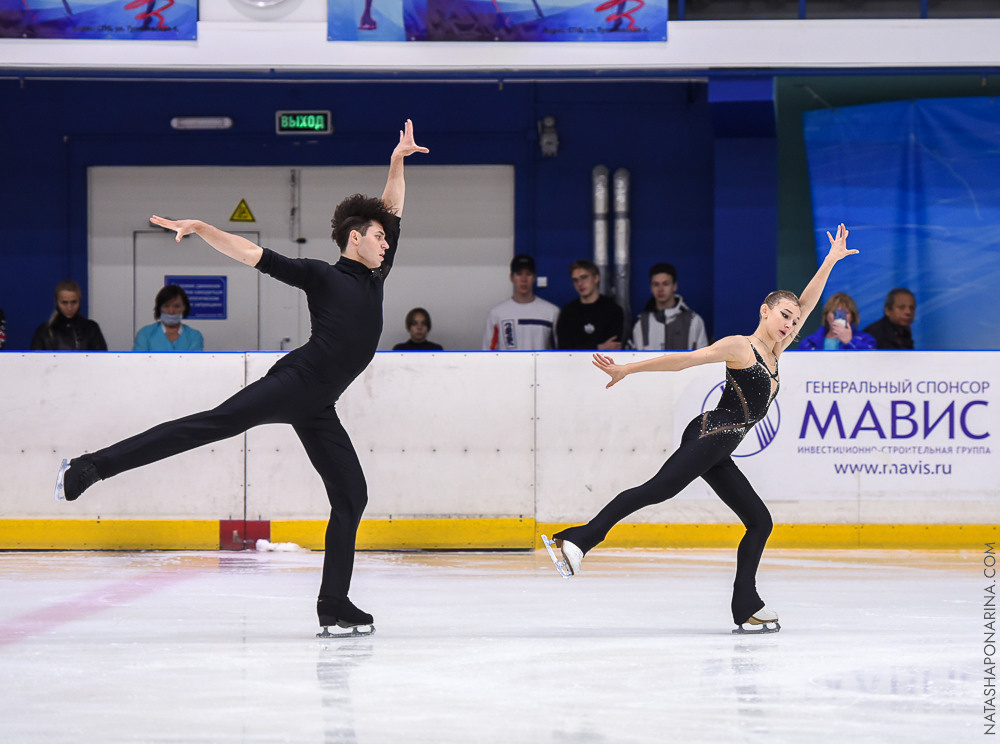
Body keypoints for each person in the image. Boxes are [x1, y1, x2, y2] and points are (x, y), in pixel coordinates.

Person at [54, 119, 429, 636]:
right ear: (354, 238)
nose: (388, 242)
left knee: (352, 496)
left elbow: (391, 206)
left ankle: (334, 604)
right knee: (208, 425)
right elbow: (253, 255)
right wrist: (205, 228)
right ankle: (89, 467)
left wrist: (396, 162)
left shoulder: (376, 275)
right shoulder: (322, 275)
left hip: (321, 404)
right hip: (296, 381)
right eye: (380, 237)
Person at [543, 224, 858, 634]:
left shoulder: (777, 351)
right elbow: (684, 360)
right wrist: (628, 368)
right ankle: (579, 541)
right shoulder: (741, 347)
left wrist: (830, 261)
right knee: (658, 490)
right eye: (784, 316)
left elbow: (808, 302)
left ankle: (746, 603)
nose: (790, 324)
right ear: (765, 311)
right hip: (710, 432)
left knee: (760, 521)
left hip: (720, 445)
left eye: (795, 321)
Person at [483, 254, 559, 350]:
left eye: (528, 274)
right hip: (508, 365)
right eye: (519, 274)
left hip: (541, 365)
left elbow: (559, 352)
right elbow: (488, 353)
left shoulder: (551, 312)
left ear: (534, 277)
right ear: (511, 277)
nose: (524, 280)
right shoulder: (497, 314)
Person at [630, 263, 708, 351]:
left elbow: (704, 357)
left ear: (675, 286)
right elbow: (634, 357)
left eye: (665, 284)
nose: (660, 289)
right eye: (656, 284)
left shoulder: (694, 320)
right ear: (651, 287)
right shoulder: (641, 323)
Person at [556, 259, 625, 351]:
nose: (580, 284)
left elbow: (613, 347)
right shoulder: (568, 311)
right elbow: (565, 349)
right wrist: (599, 347)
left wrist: (582, 347)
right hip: (575, 364)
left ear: (596, 278)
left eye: (584, 277)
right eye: (575, 280)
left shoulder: (613, 310)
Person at [30, 280, 107, 351]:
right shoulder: (44, 331)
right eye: (64, 303)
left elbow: (101, 360)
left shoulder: (91, 329)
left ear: (80, 301)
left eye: (73, 302)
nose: (69, 308)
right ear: (56, 302)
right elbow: (35, 361)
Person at [133, 285, 205, 352]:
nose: (171, 311)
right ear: (159, 308)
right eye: (166, 306)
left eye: (176, 306)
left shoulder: (194, 336)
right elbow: (139, 362)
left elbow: (194, 362)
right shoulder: (145, 333)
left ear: (184, 308)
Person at [796, 292, 876, 351]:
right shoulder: (809, 342)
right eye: (835, 313)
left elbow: (871, 362)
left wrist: (850, 341)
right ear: (826, 315)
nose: (839, 317)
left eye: (844, 313)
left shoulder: (866, 339)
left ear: (852, 316)